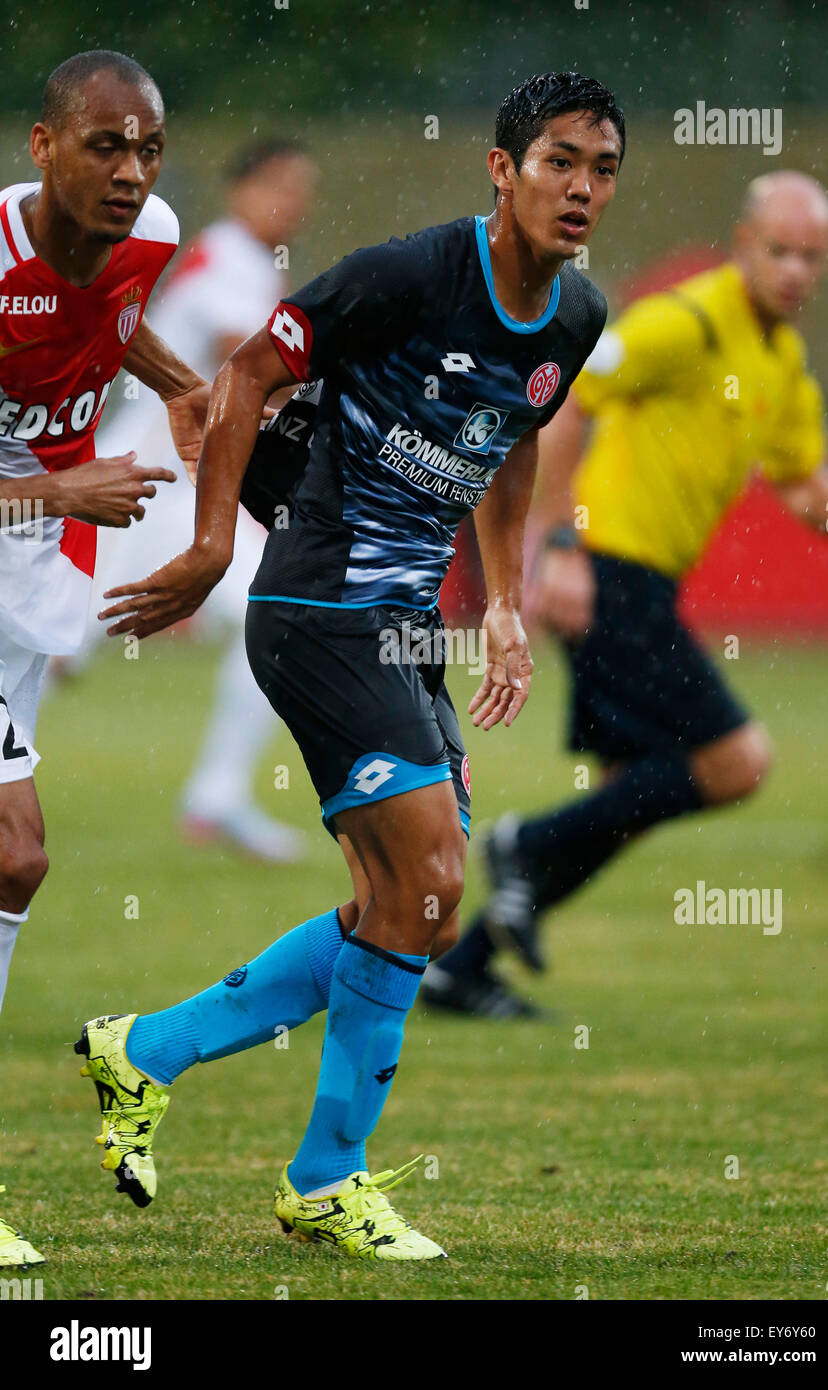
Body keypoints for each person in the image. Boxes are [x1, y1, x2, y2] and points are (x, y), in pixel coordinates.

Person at [73, 71, 621, 1260]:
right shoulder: (411, 273)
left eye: (600, 168)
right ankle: (327, 1178)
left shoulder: (573, 320)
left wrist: (509, 606)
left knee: (413, 909)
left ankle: (143, 1051)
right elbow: (252, 375)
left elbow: (509, 439)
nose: (579, 188)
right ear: (500, 168)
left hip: (407, 627)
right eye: (557, 162)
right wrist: (216, 544)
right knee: (423, 883)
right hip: (317, 604)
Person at [426, 171, 828, 1015]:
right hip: (607, 574)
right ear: (743, 245)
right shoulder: (687, 321)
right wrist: (557, 546)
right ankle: (522, 843)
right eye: (779, 250)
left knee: (634, 792)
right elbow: (567, 398)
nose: (795, 270)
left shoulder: (779, 358)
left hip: (642, 587)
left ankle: (463, 965)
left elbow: (806, 483)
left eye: (812, 257)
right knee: (736, 762)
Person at [0, 48, 209, 1267]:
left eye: (147, 150)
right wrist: (62, 483)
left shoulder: (154, 237)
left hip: (27, 573)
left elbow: (109, 324)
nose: (131, 173)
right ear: (41, 148)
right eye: (103, 147)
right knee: (16, 854)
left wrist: (182, 385)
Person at [76, 138, 318, 861]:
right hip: (139, 481)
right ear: (244, 188)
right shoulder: (225, 255)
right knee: (47, 643)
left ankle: (218, 795)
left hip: (188, 487)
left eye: (303, 190)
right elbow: (238, 354)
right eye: (283, 185)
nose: (295, 205)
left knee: (278, 613)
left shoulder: (253, 265)